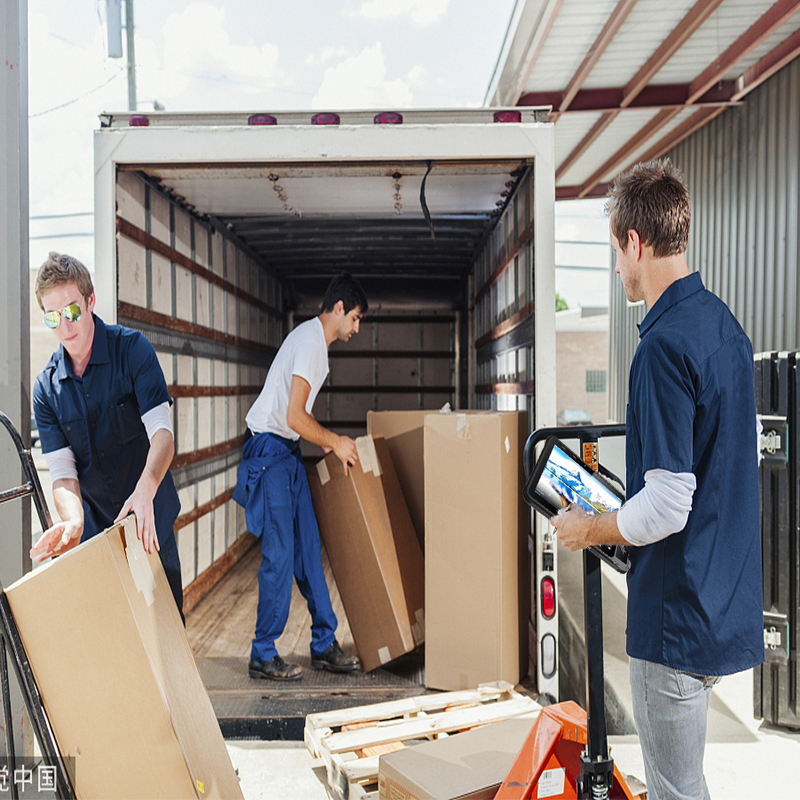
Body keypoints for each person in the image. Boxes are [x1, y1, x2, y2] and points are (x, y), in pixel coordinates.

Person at [552, 160, 763, 800]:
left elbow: (669, 504)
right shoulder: (725, 328)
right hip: (719, 603)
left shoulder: (662, 346)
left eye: (616, 252)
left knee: (674, 789)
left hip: (674, 618)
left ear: (636, 243)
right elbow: (710, 470)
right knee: (686, 780)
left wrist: (590, 527)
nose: (617, 269)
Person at [31, 252, 184, 618]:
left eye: (70, 312)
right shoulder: (46, 389)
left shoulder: (132, 350)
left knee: (167, 631)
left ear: (90, 300)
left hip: (150, 518)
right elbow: (63, 474)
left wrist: (147, 487)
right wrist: (72, 521)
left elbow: (162, 433)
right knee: (116, 638)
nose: (65, 327)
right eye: (53, 317)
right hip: (100, 533)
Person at [234, 272, 368, 681]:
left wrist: (320, 440)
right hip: (269, 453)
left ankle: (324, 643)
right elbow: (294, 415)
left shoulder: (312, 342)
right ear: (339, 309)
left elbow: (295, 418)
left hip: (287, 449)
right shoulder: (312, 343)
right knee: (280, 552)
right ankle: (263, 652)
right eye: (357, 318)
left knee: (308, 547)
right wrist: (335, 440)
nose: (357, 328)